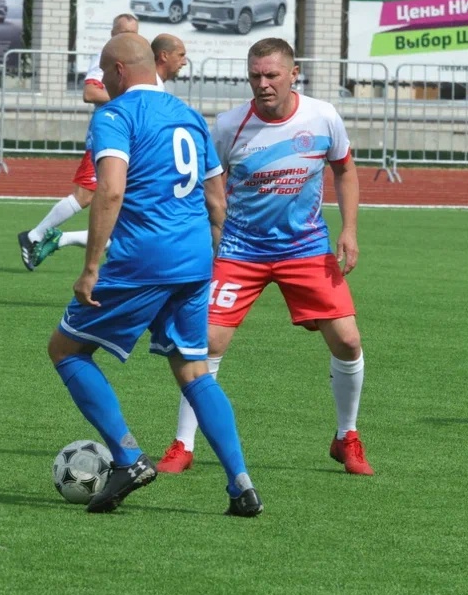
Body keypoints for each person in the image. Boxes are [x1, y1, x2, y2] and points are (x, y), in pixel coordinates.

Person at [48, 32, 261, 516]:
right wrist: (209, 258)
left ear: (120, 70)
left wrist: (90, 267)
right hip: (194, 259)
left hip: (142, 259)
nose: (101, 81)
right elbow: (217, 200)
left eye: (104, 71)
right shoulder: (189, 116)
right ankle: (241, 484)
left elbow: (110, 191)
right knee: (193, 371)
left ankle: (127, 457)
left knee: (65, 349)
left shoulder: (115, 116)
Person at [157, 38, 374, 476]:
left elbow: (344, 169)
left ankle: (346, 436)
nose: (263, 84)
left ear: (294, 74)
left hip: (305, 247)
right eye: (255, 75)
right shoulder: (228, 125)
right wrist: (208, 236)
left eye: (272, 75)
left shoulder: (323, 116)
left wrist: (349, 229)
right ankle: (183, 444)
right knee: (206, 343)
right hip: (241, 249)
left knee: (348, 341)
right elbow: (208, 186)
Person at [34, 32, 191, 261]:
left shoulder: (160, 92)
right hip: (115, 146)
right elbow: (91, 93)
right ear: (164, 56)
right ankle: (37, 235)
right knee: (95, 198)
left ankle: (60, 239)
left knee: (127, 223)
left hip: (128, 150)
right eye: (181, 55)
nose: (184, 61)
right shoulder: (143, 90)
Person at [16, 13, 138, 268]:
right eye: (123, 33)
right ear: (113, 35)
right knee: (85, 195)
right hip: (105, 138)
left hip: (130, 139)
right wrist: (127, 98)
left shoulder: (138, 62)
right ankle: (34, 236)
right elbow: (90, 92)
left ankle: (69, 243)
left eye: (133, 33)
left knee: (127, 207)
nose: (128, 38)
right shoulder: (105, 57)